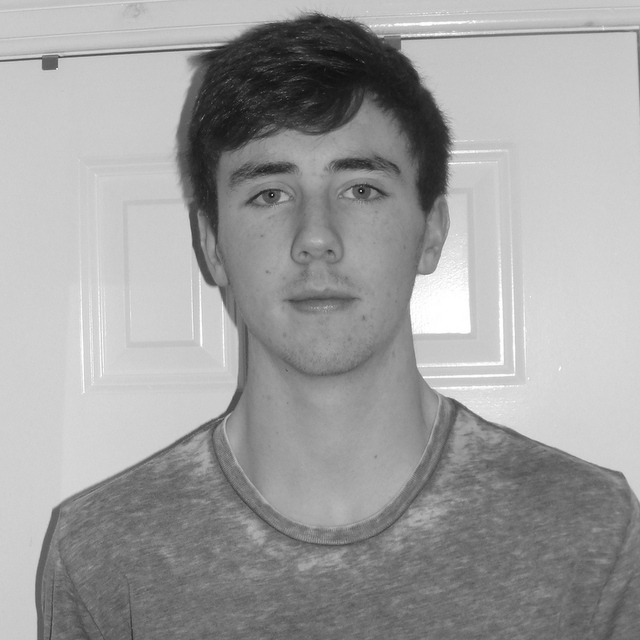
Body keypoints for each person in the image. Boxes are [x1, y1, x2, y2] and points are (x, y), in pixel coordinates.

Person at [41, 13, 639, 639]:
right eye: (269, 193)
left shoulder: (589, 535)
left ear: (432, 232)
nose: (316, 238)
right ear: (213, 246)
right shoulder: (103, 558)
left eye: (361, 189)